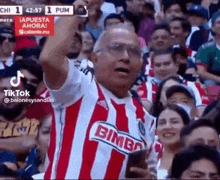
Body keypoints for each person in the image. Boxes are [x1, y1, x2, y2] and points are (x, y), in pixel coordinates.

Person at [39, 0, 156, 179]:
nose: (125, 57)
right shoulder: (79, 86)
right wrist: (80, 5)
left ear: (141, 65)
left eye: (134, 52)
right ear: (94, 58)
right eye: (116, 48)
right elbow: (49, 58)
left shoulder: (146, 120)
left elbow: (150, 172)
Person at [156, 104, 190, 179]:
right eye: (162, 123)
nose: (167, 127)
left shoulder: (197, 159)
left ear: (186, 127)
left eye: (174, 122)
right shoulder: (149, 160)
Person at [196, 11, 220, 85]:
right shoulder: (205, 48)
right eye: (219, 22)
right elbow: (201, 72)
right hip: (214, 81)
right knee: (209, 84)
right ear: (212, 28)